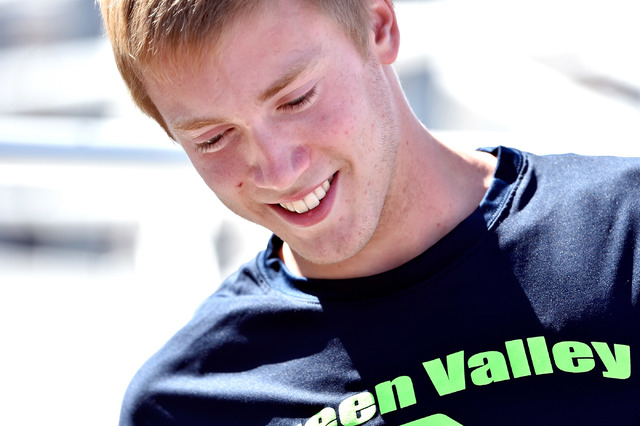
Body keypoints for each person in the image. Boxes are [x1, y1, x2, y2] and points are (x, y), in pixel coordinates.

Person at [100, 0, 640, 424]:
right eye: (214, 138)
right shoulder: (187, 404)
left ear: (378, 26)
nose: (279, 170)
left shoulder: (624, 232)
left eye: (296, 99)